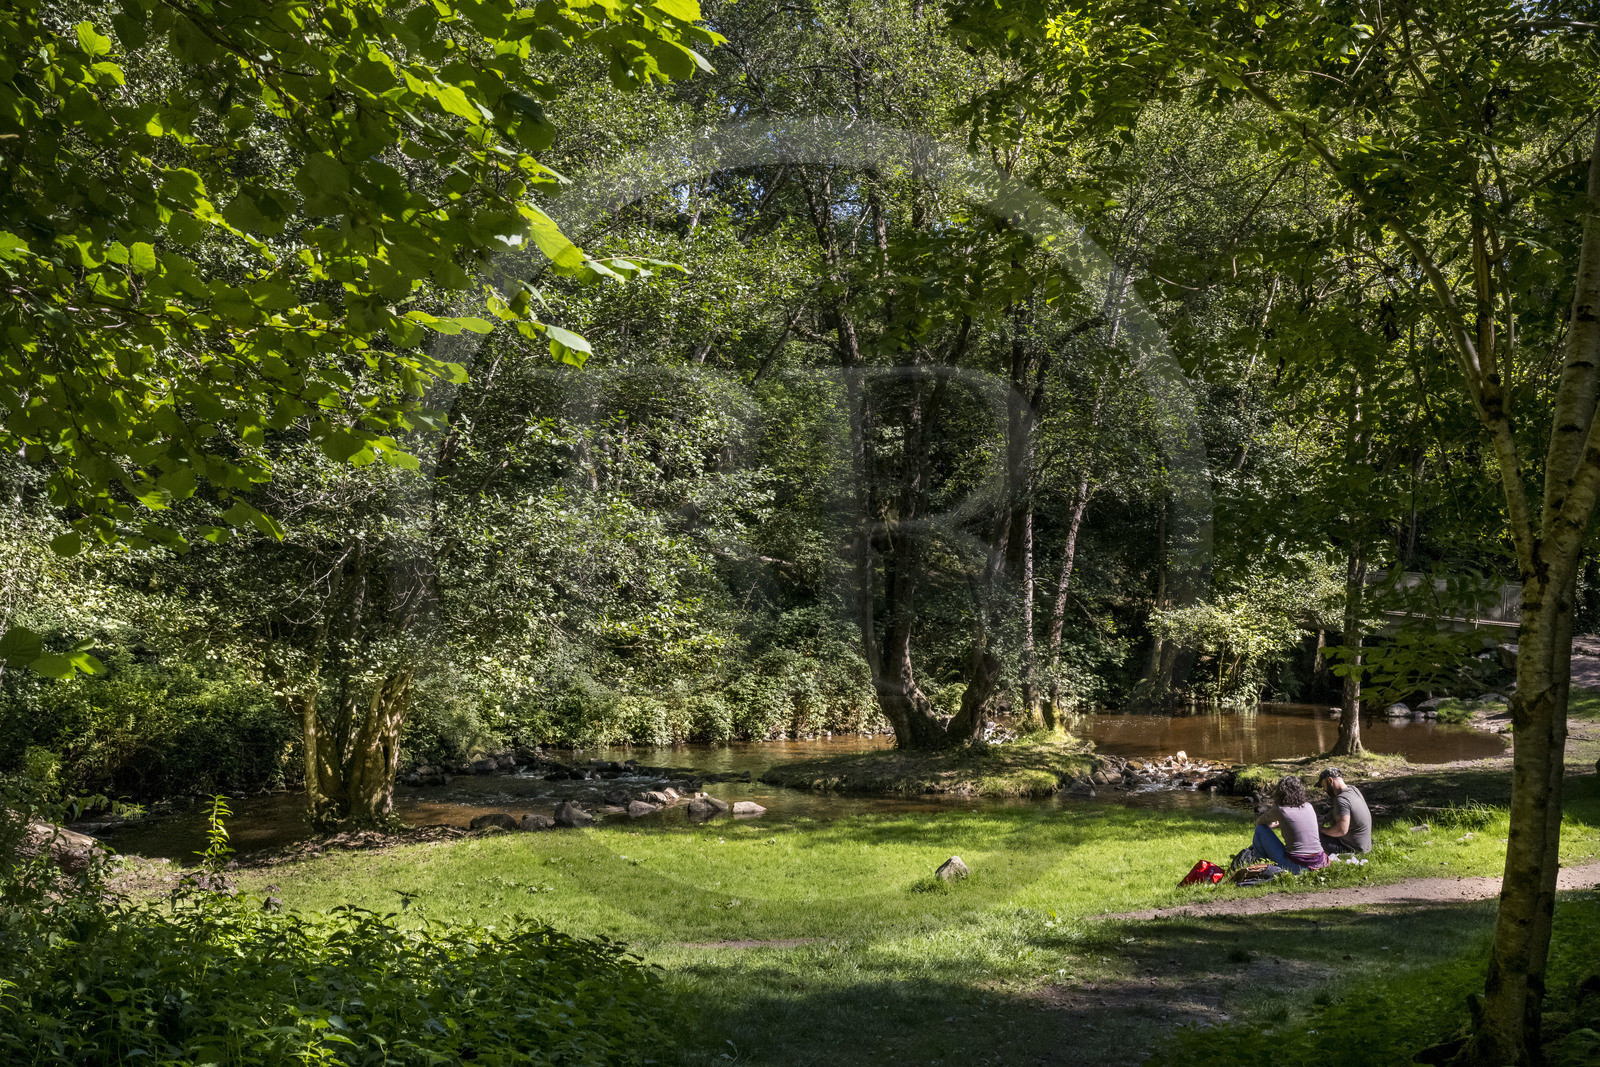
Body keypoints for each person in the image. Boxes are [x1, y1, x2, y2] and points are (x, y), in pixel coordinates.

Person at [1250, 774, 1329, 872]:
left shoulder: (1280, 810)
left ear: (1280, 793)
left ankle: (1258, 861)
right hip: (1320, 863)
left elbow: (1260, 822)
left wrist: (1271, 825)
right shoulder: (1309, 806)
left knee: (1260, 829)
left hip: (1296, 866)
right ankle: (1261, 862)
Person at [1316, 766, 1372, 855]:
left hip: (1352, 848)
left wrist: (1321, 829)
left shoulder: (1341, 800)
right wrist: (1325, 817)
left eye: (1323, 785)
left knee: (1313, 837)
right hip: (1365, 845)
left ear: (1330, 780)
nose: (1324, 789)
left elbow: (1341, 830)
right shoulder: (1353, 790)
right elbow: (1342, 811)